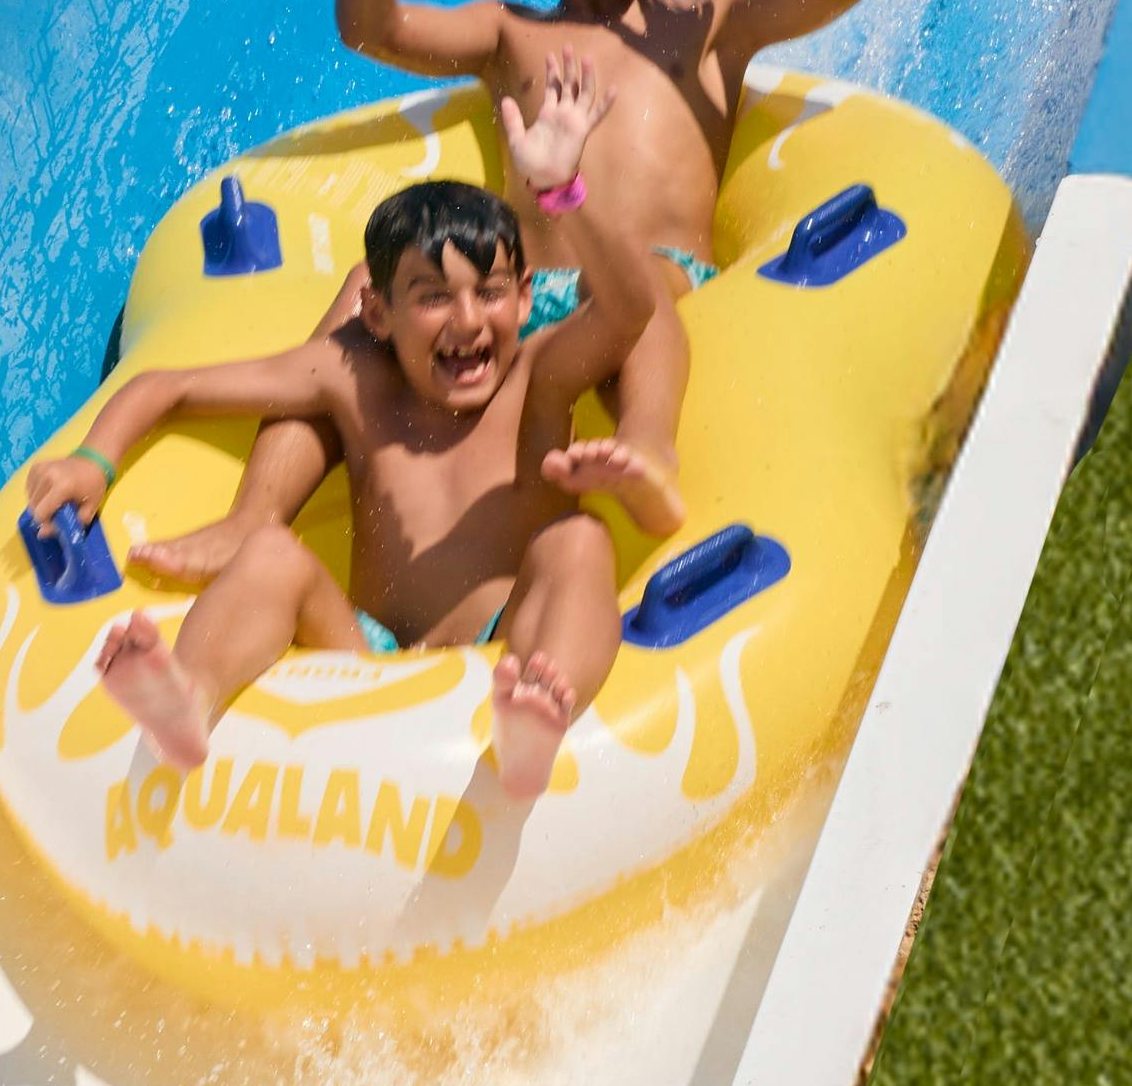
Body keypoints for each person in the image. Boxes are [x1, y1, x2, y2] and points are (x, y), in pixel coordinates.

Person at [156, 0, 891, 560]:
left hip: (644, 289)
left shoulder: (712, 26)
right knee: (366, 290)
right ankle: (253, 516)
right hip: (518, 301)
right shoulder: (509, 34)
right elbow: (370, 25)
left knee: (638, 276)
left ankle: (648, 447)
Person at [37, 56, 665, 799]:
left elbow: (632, 307)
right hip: (366, 656)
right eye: (432, 297)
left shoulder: (540, 375)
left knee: (578, 542)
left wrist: (562, 191)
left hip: (504, 644)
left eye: (490, 293)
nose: (468, 321)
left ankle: (540, 723)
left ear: (526, 299)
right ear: (377, 312)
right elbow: (170, 386)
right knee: (270, 553)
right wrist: (94, 462)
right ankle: (187, 700)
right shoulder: (351, 377)